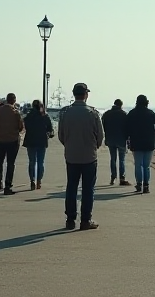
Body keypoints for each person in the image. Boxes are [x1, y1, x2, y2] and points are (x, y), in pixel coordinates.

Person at [58, 82, 103, 230]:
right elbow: (100, 136)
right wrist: (94, 147)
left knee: (71, 187)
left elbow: (61, 135)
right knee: (88, 189)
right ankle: (85, 220)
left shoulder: (65, 113)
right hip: (89, 156)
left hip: (71, 156)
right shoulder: (93, 113)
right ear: (86, 95)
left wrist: (69, 145)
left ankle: (70, 219)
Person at [124, 94, 155, 193]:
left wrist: (128, 138)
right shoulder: (150, 113)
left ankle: (139, 184)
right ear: (146, 102)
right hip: (149, 142)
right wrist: (154, 135)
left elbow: (126, 128)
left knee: (138, 164)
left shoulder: (132, 113)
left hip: (136, 142)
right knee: (146, 166)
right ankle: (146, 185)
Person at [0, 93, 24, 195]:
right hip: (12, 141)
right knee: (10, 163)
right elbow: (20, 127)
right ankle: (8, 186)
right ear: (14, 100)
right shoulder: (16, 113)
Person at [22, 99, 54, 190]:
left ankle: (32, 180)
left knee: (32, 162)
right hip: (41, 141)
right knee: (40, 162)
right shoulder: (45, 116)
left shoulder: (28, 116)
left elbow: (25, 126)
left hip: (30, 141)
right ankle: (39, 181)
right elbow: (50, 129)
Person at [102, 99, 130, 186]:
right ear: (121, 105)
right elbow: (127, 128)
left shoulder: (106, 114)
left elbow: (103, 126)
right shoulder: (124, 114)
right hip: (121, 139)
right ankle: (122, 178)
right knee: (121, 159)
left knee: (113, 159)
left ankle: (113, 177)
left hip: (110, 139)